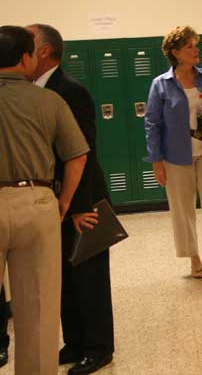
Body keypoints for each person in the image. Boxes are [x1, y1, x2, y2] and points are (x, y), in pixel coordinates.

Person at [0, 25, 88, 374]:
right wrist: (63, 201)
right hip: (36, 202)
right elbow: (77, 155)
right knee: (38, 309)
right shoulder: (50, 100)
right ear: (26, 58)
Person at [28, 24, 115, 375]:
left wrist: (78, 206)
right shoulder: (38, 89)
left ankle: (98, 348)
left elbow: (84, 151)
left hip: (83, 200)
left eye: (28, 44)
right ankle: (76, 341)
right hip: (59, 201)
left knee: (89, 277)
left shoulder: (70, 90)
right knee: (65, 273)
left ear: (45, 51)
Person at [144, 26, 202, 280]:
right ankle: (194, 259)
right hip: (175, 155)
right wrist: (156, 161)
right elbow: (152, 123)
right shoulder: (160, 85)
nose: (197, 51)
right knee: (182, 207)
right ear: (175, 53)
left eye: (196, 45)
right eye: (190, 47)